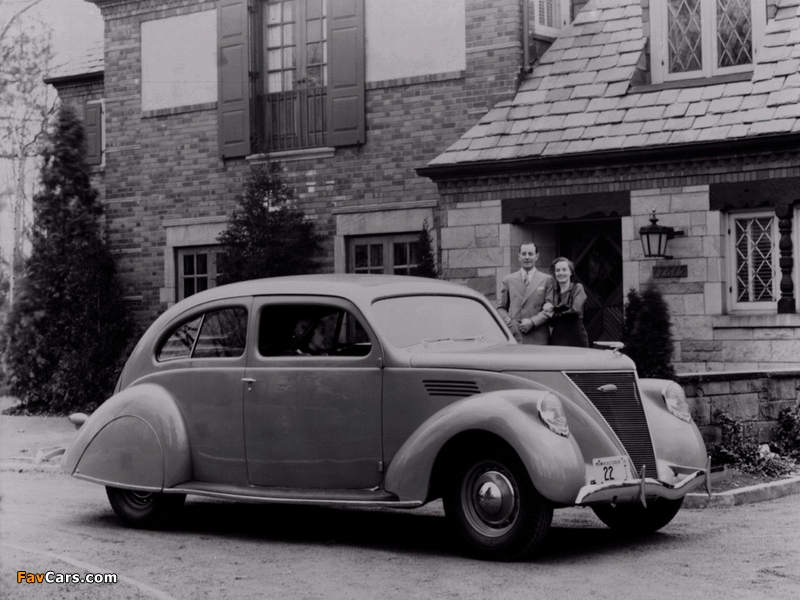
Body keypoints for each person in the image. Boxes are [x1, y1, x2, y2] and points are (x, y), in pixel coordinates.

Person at [497, 242, 552, 345]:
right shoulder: (508, 280)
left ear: (537, 256)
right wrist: (509, 322)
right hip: (517, 334)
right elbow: (501, 308)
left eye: (530, 254)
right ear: (519, 256)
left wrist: (532, 322)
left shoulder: (547, 280)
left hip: (538, 335)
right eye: (524, 254)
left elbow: (550, 309)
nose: (527, 257)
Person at [543, 257, 589, 348]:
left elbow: (575, 312)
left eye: (564, 270)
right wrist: (545, 306)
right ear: (554, 273)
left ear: (570, 272)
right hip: (558, 337)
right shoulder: (553, 293)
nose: (561, 273)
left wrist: (554, 315)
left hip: (576, 337)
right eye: (557, 270)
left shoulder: (577, 288)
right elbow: (550, 321)